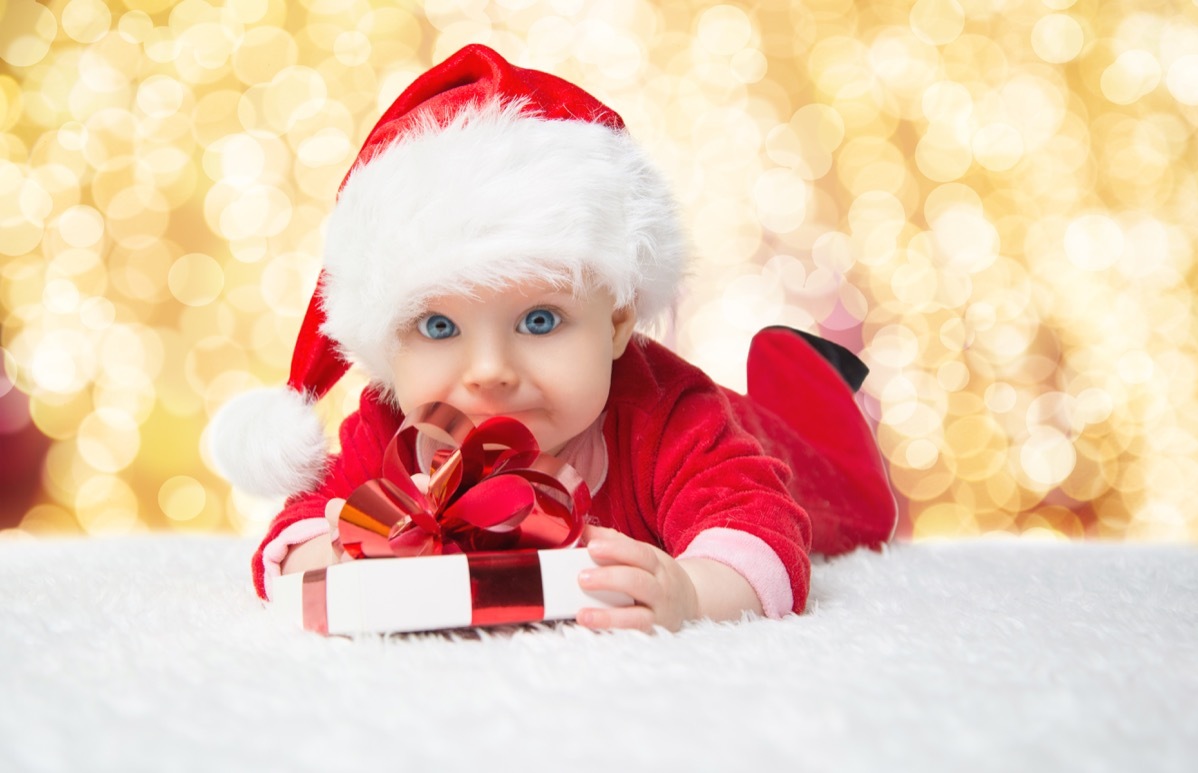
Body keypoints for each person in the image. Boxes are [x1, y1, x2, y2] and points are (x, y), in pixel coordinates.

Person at [209, 44, 896, 632]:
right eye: (439, 326)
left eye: (539, 320)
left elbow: (761, 527)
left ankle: (812, 381)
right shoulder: (391, 426)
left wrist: (693, 591)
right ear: (388, 345)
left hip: (787, 457)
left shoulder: (671, 419)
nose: (489, 371)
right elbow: (296, 529)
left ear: (619, 321)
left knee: (852, 505)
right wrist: (327, 552)